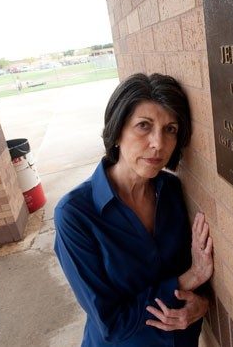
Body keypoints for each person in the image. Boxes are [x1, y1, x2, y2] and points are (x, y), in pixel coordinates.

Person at [54, 73, 213, 347]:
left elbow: (194, 283)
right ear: (117, 132)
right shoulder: (75, 214)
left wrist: (201, 305)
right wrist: (190, 278)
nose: (158, 143)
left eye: (170, 129)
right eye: (144, 126)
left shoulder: (171, 190)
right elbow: (111, 322)